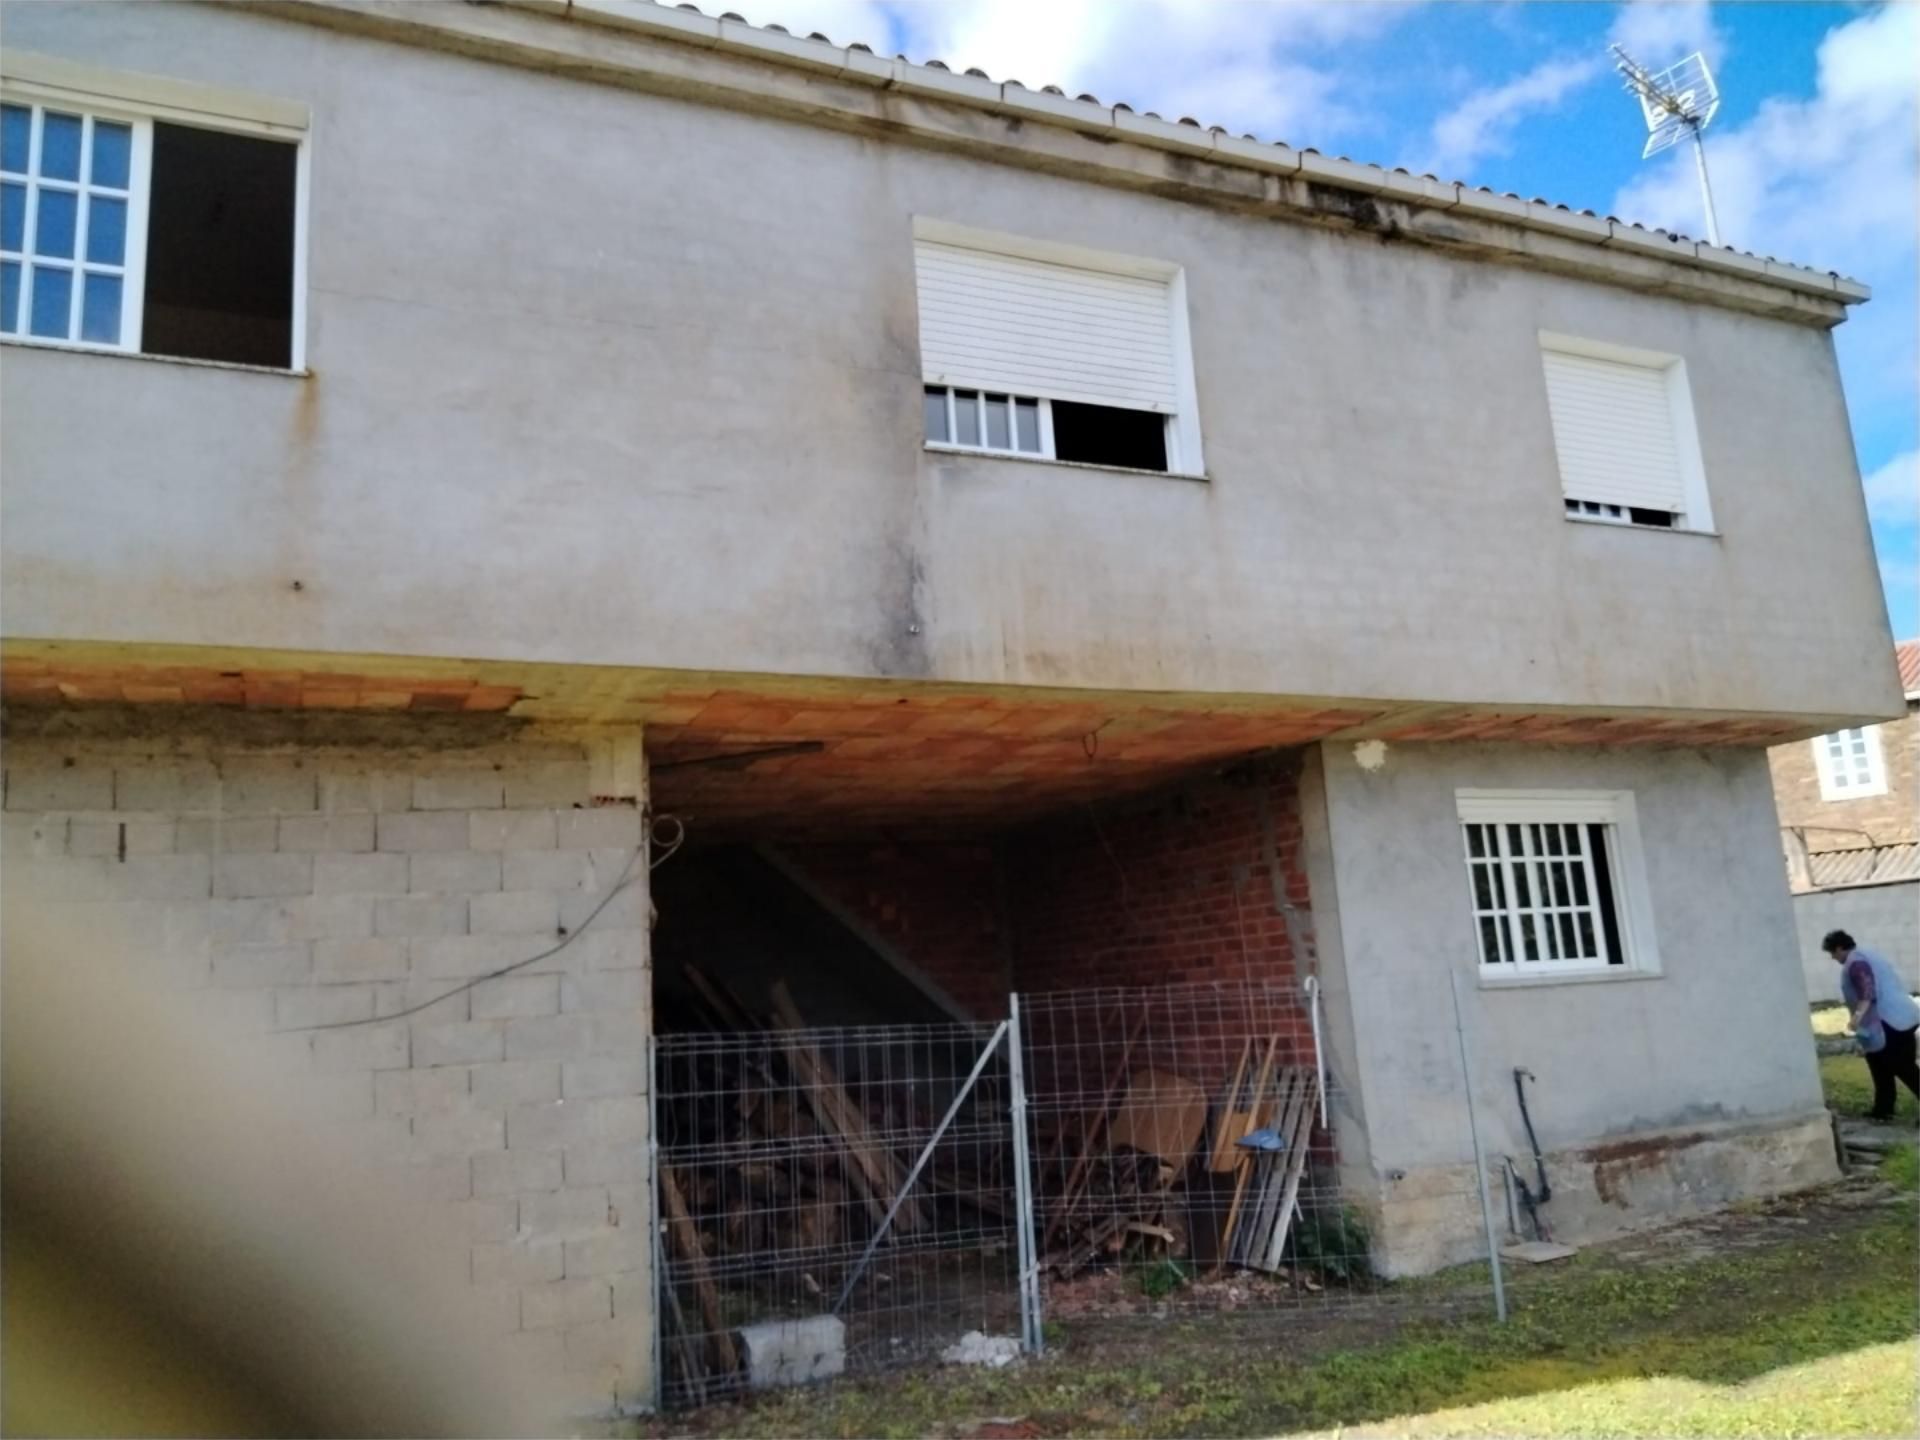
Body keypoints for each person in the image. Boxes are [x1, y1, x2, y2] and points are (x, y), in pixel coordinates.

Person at [1824, 929, 1920, 1122]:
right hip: (1896, 1017)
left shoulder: (1856, 961)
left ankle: (1884, 1109)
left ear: (1840, 947)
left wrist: (1856, 1018)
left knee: (1903, 1067)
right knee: (1878, 1063)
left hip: (1890, 1021)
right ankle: (1883, 1109)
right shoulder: (1870, 953)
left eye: (1832, 953)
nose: (1833, 958)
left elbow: (1867, 991)